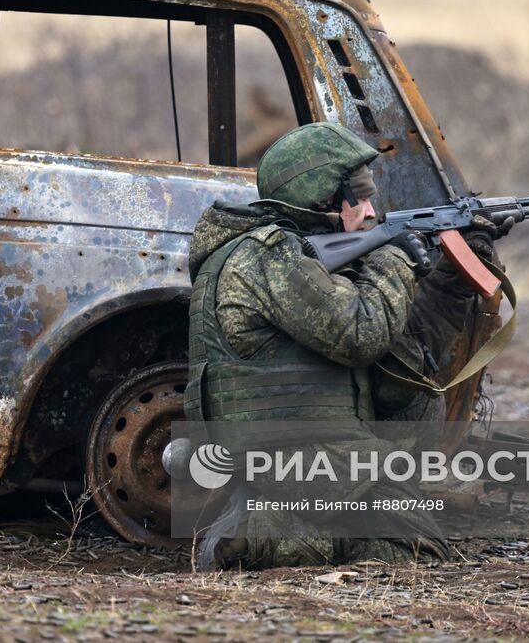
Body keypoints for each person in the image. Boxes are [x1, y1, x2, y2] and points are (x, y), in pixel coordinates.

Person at [183, 121, 507, 569]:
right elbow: (361, 335)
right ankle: (271, 536)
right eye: (362, 199)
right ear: (323, 201)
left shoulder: (296, 259)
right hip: (297, 456)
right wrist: (392, 255)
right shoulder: (267, 257)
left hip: (312, 453)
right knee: (414, 547)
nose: (373, 212)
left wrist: (454, 277)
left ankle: (274, 525)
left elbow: (402, 362)